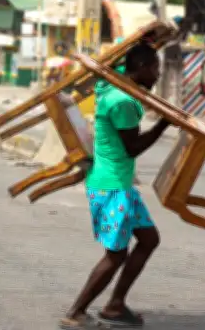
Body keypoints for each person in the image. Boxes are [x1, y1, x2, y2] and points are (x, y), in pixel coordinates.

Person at [61, 42, 173, 329]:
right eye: (155, 69)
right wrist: (164, 124)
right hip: (112, 187)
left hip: (119, 184)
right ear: (142, 69)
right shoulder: (123, 101)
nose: (158, 75)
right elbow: (132, 147)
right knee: (116, 254)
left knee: (149, 239)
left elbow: (120, 65)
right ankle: (76, 311)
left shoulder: (117, 85)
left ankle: (115, 305)